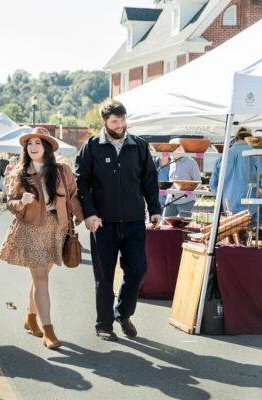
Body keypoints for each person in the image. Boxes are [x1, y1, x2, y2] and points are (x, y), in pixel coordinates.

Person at [76, 99, 161, 342]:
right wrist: (89, 214)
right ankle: (104, 325)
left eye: (122, 120)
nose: (120, 125)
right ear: (104, 122)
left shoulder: (140, 146)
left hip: (134, 221)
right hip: (102, 223)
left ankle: (122, 313)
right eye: (115, 121)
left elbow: (149, 181)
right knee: (103, 277)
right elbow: (81, 183)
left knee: (137, 271)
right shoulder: (91, 146)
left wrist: (154, 208)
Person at [0, 127, 83, 349]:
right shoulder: (19, 173)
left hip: (57, 227)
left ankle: (30, 316)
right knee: (42, 279)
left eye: (38, 142)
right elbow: (10, 202)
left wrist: (87, 218)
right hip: (32, 228)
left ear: (46, 147)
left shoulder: (62, 171)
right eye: (30, 143)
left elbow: (74, 197)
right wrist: (21, 202)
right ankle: (48, 330)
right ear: (26, 148)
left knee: (41, 277)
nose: (33, 146)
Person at [210, 127, 262, 222]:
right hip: (252, 208)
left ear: (235, 138)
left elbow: (213, 185)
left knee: (232, 236)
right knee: (252, 236)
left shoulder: (223, 156)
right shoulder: (259, 153)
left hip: (228, 208)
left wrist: (225, 197)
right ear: (251, 137)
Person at [163, 142, 201, 217]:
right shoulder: (171, 162)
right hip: (171, 199)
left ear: (180, 148)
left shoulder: (191, 162)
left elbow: (198, 182)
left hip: (186, 200)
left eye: (173, 148)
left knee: (183, 225)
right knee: (165, 225)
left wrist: (188, 192)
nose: (170, 151)